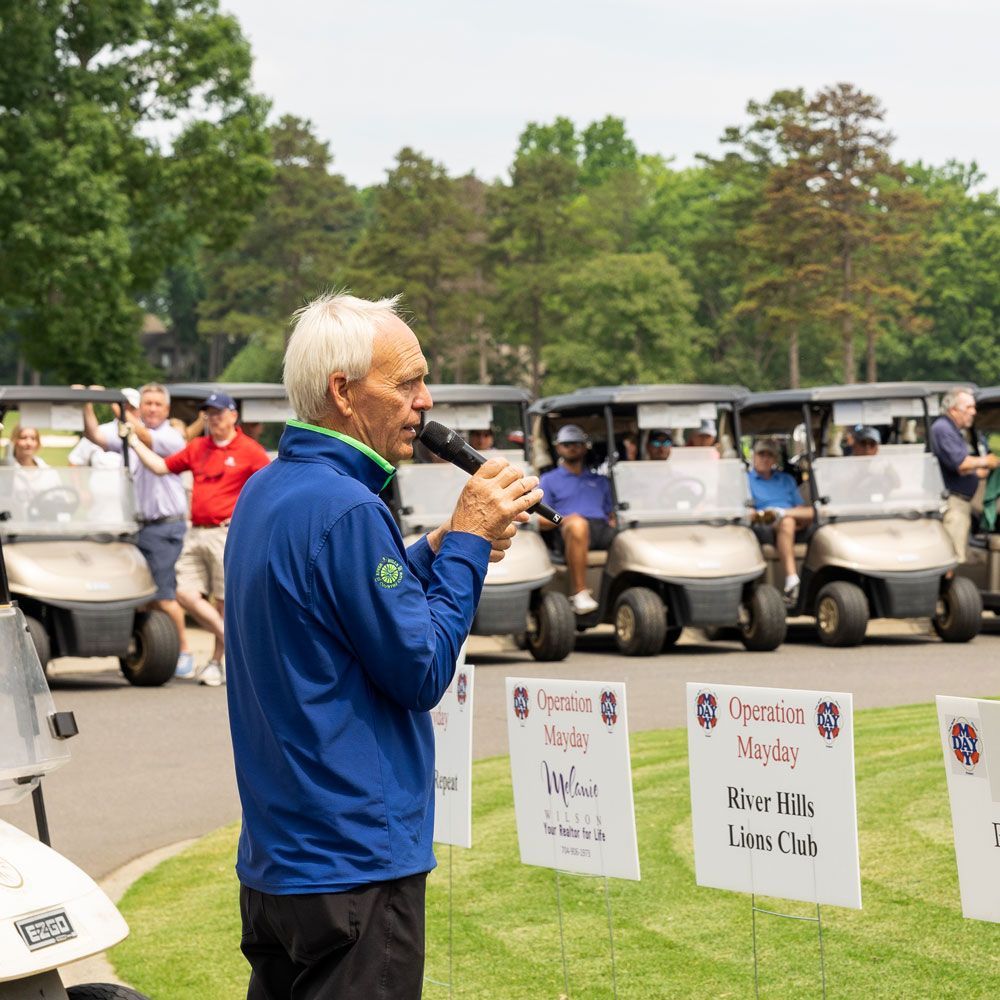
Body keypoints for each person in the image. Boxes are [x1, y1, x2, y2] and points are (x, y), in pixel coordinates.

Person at [224, 292, 540, 999]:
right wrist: (465, 544)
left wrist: (429, 550)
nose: (425, 401)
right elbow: (421, 668)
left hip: (282, 861)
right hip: (355, 862)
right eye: (405, 383)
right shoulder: (348, 507)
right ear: (342, 391)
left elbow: (339, 606)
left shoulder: (268, 490)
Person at [126, 390, 270, 687]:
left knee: (223, 601)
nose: (213, 418)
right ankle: (233, 642)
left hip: (226, 533)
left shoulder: (250, 449)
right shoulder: (199, 447)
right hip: (196, 532)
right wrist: (133, 442)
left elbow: (268, 488)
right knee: (184, 593)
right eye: (209, 413)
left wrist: (249, 519)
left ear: (233, 415)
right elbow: (160, 467)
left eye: (218, 412)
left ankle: (217, 663)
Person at [82, 384, 192, 675]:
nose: (152, 409)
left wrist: (119, 410)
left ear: (167, 410)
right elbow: (95, 436)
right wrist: (87, 405)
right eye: (148, 404)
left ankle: (183, 650)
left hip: (165, 525)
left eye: (157, 404)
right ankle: (149, 651)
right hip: (140, 526)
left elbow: (145, 437)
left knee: (164, 595)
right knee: (142, 595)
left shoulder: (170, 436)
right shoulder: (132, 434)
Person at [538, 423, 615, 614]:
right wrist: (564, 519)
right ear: (558, 448)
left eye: (577, 443)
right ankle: (579, 592)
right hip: (566, 530)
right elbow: (539, 520)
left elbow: (611, 513)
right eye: (567, 443)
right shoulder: (548, 479)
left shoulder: (601, 480)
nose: (572, 447)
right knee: (578, 524)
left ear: (585, 446)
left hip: (600, 529)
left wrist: (615, 520)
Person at [930, 387, 999, 562]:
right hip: (953, 503)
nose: (974, 412)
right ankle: (948, 588)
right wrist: (986, 460)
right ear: (953, 409)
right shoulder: (942, 429)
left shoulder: (956, 432)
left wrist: (978, 472)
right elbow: (960, 463)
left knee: (959, 551)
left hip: (963, 503)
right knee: (952, 557)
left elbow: (962, 466)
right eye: (969, 408)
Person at [748, 437, 814, 604]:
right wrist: (771, 514)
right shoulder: (746, 480)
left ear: (775, 459)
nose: (765, 458)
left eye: (769, 455)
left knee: (813, 513)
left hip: (789, 517)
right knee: (787, 522)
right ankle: (792, 579)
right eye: (761, 454)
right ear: (753, 456)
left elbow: (800, 508)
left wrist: (784, 512)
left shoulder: (786, 480)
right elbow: (747, 511)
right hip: (764, 523)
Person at [68, 388, 140, 469]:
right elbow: (75, 461)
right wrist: (86, 402)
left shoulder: (149, 433)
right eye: (123, 407)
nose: (126, 412)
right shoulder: (104, 430)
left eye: (132, 408)